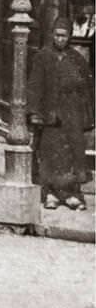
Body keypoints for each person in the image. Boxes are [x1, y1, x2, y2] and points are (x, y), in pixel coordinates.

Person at [27, 17, 94, 211]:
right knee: (50, 154)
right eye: (57, 35)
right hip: (50, 114)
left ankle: (72, 194)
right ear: (52, 35)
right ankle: (51, 194)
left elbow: (87, 88)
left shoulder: (77, 59)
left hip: (72, 114)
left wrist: (87, 116)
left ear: (69, 37)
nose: (60, 39)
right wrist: (34, 112)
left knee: (73, 153)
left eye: (64, 36)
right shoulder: (43, 57)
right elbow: (34, 86)